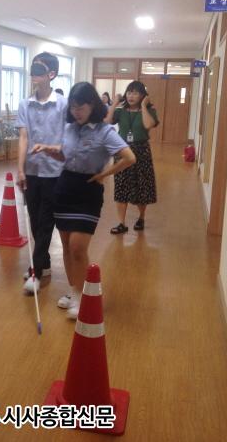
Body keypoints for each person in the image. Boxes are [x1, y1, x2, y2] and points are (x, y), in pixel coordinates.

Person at [33, 82, 136, 319]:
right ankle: (74, 292)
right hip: (64, 188)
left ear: (92, 105)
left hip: (88, 192)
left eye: (81, 107)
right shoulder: (70, 128)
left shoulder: (105, 131)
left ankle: (84, 296)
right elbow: (65, 155)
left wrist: (104, 174)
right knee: (67, 248)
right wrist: (48, 149)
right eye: (73, 107)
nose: (76, 111)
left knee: (78, 248)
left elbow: (129, 157)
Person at [16, 52, 68, 294]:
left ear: (51, 74)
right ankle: (44, 263)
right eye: (33, 69)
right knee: (35, 221)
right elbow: (23, 137)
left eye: (40, 69)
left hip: (55, 172)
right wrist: (20, 169)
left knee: (46, 221)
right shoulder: (25, 104)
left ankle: (36, 270)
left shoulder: (63, 104)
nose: (34, 74)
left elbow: (68, 138)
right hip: (32, 171)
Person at [104, 80, 159, 234]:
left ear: (143, 96)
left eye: (135, 93)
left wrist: (144, 106)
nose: (131, 96)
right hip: (122, 151)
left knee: (142, 186)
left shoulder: (149, 110)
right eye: (129, 92)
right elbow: (107, 122)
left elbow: (148, 125)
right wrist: (114, 104)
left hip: (141, 151)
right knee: (121, 186)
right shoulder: (121, 111)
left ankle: (141, 217)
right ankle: (121, 223)